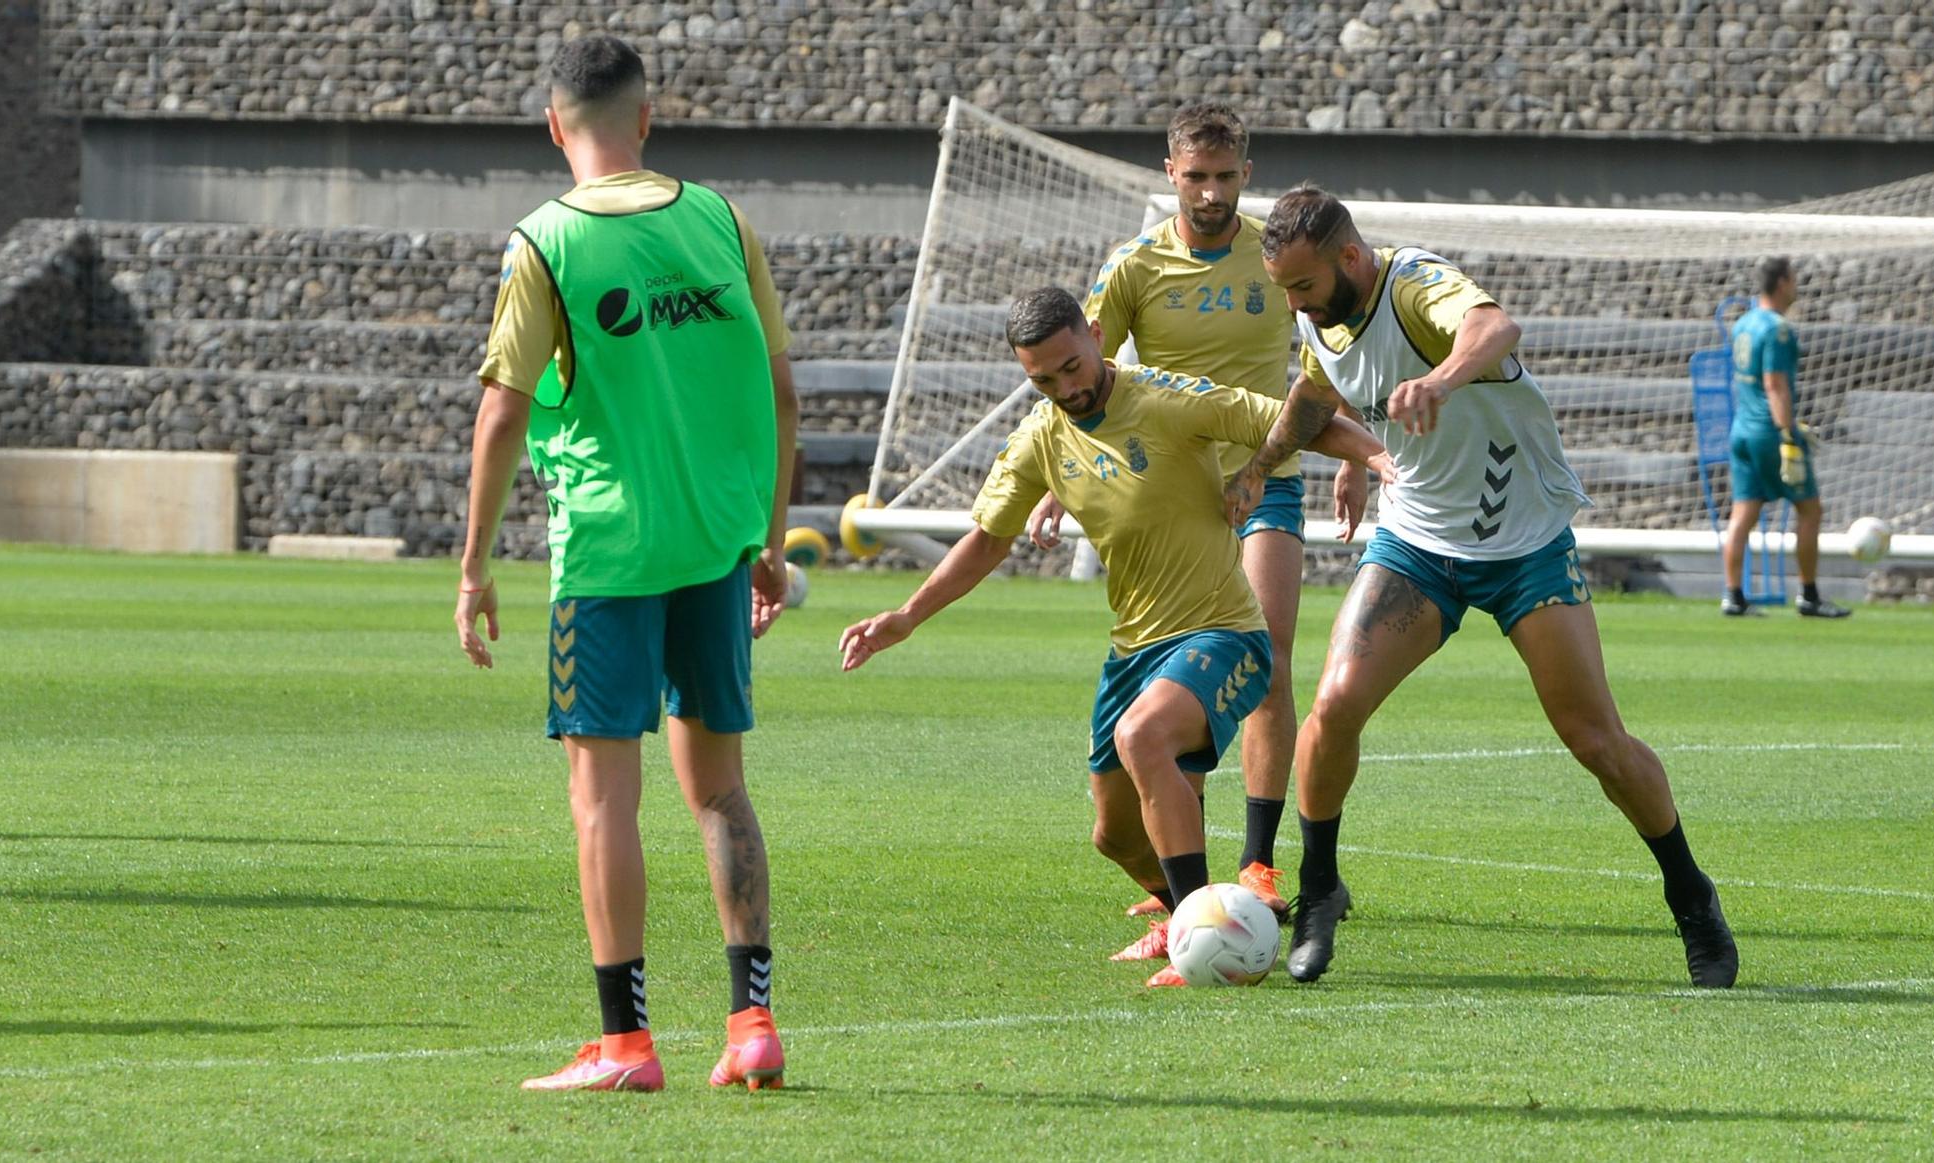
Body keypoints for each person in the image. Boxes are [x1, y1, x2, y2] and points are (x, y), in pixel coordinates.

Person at [1228, 185, 1739, 989]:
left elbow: (1496, 329)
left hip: (1524, 540)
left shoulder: (1414, 283)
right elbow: (1314, 393)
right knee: (1331, 710)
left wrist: (1444, 379)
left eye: (1302, 286)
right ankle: (1320, 889)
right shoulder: (1315, 313)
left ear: (1350, 259)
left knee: (1596, 741)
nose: (1294, 302)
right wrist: (1269, 465)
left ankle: (1690, 892)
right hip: (1419, 540)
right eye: (1286, 289)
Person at [840, 286, 1393, 987]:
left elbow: (1286, 418)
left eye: (1071, 366)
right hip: (1134, 646)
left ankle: (1198, 936)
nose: (1064, 387)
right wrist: (905, 616)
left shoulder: (1167, 399)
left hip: (1224, 630)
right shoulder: (1042, 435)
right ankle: (1195, 912)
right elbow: (986, 540)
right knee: (1114, 835)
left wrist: (1376, 460)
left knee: (1142, 737)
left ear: (1096, 336)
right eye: (1042, 378)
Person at [453, 35, 798, 1092]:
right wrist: (768, 541)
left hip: (607, 551)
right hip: (714, 541)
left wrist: (471, 564)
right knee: (720, 790)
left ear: (556, 126)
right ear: (646, 118)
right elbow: (782, 392)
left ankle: (624, 1043)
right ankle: (751, 1025)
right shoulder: (720, 218)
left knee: (602, 799)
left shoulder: (543, 241)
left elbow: (505, 408)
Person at [1027, 103, 1312, 923]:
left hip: (1268, 474)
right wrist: (1055, 477)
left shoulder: (1273, 254)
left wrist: (1353, 460)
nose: (1213, 192)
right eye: (1197, 177)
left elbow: (1324, 349)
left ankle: (1256, 864)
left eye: (1226, 177)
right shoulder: (1135, 266)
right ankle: (1184, 874)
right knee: (1179, 669)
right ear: (1170, 175)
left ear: (1246, 175)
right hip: (1175, 491)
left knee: (1267, 654)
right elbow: (1079, 374)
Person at [1721, 256, 1850, 618]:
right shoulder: (1778, 329)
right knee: (1810, 509)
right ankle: (1808, 595)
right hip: (1768, 432)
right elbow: (1774, 384)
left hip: (1742, 429)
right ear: (1781, 284)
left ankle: (1733, 595)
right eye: (1794, 280)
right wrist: (1787, 434)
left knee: (1743, 513)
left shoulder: (1743, 323)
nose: (1797, 287)